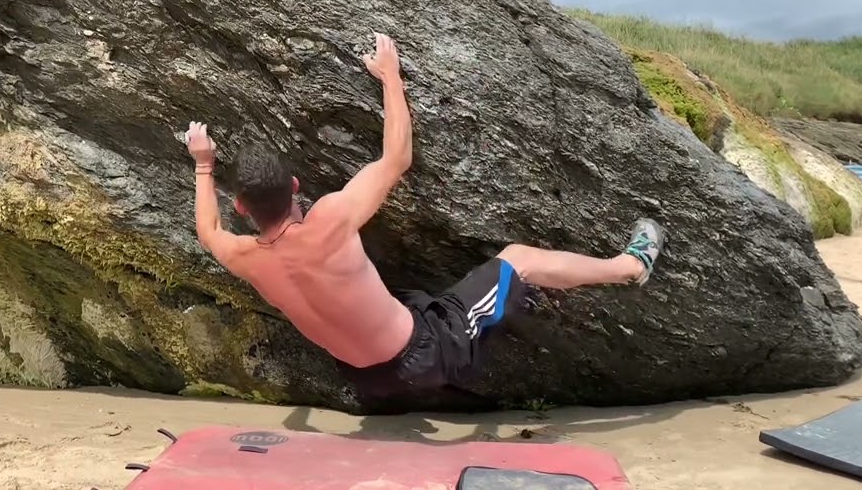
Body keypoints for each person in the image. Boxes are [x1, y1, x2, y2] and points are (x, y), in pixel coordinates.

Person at [182, 31, 667, 402]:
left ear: (241, 207)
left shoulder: (243, 257)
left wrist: (204, 163)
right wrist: (391, 76)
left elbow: (208, 230)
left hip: (365, 379)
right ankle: (629, 267)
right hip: (427, 351)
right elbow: (396, 159)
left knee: (399, 294)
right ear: (294, 187)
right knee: (517, 259)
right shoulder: (329, 220)